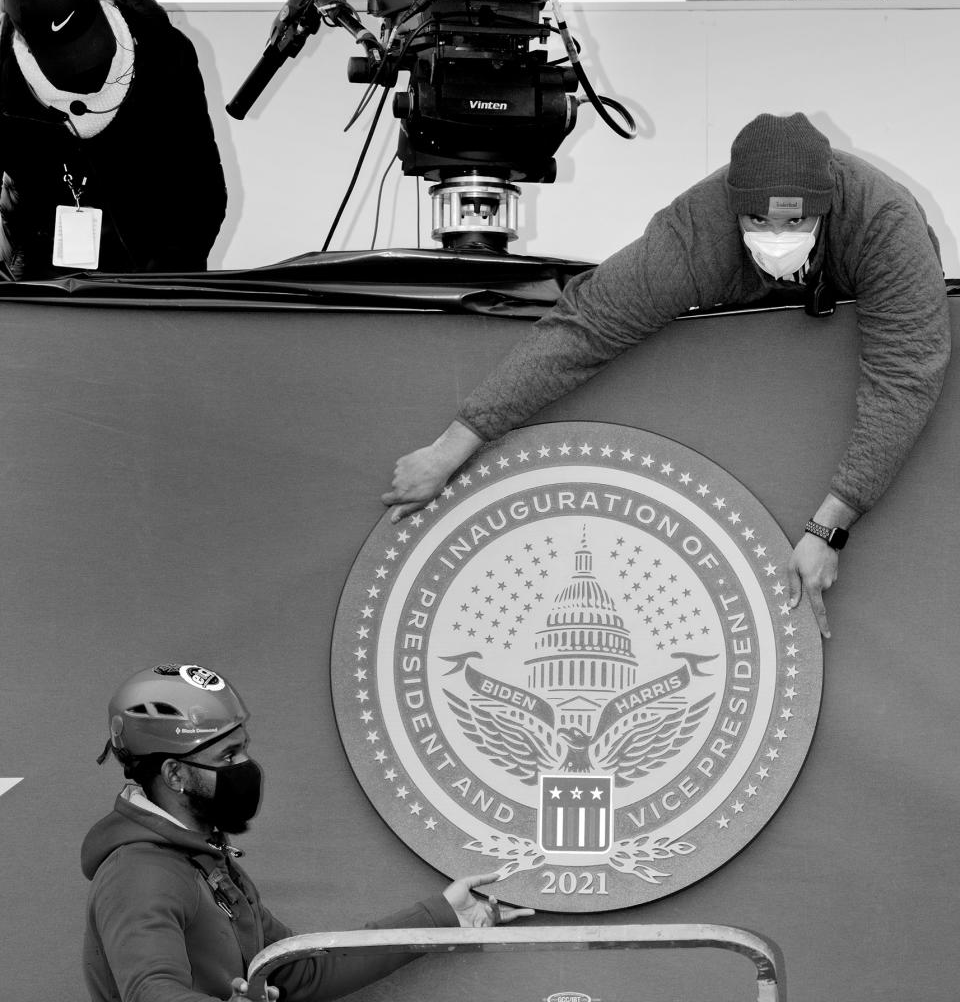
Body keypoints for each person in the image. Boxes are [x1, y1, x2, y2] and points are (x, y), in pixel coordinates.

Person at [383, 112, 950, 638]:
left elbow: (905, 376)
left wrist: (831, 526)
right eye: (757, 219)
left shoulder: (883, 221)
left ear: (825, 208)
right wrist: (451, 447)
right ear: (733, 209)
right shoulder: (698, 230)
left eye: (794, 220)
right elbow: (587, 326)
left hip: (861, 297)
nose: (776, 233)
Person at [83, 662, 530, 1002]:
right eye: (227, 757)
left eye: (243, 751)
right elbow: (150, 991)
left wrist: (441, 918)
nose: (245, 769)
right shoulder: (139, 873)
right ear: (175, 773)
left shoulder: (204, 862)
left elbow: (302, 971)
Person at [0, 0, 227, 278]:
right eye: (65, 58)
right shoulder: (8, 88)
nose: (83, 70)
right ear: (24, 40)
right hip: (48, 283)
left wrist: (163, 283)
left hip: (158, 278)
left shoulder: (164, 55)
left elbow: (202, 192)